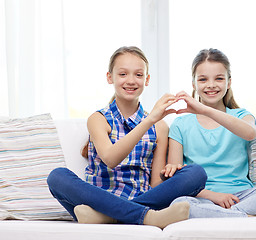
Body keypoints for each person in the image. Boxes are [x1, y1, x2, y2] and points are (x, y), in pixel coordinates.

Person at [47, 46, 207, 228]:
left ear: (147, 80)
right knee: (57, 176)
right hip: (98, 199)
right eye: (123, 74)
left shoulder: (160, 127)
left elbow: (155, 184)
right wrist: (149, 120)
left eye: (138, 75)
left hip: (141, 198)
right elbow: (110, 159)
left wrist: (171, 173)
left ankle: (108, 217)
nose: (131, 81)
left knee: (196, 174)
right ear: (110, 77)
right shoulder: (98, 119)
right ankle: (147, 217)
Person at [161, 48, 256, 218]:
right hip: (203, 198)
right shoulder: (181, 124)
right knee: (179, 204)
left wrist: (205, 110)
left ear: (229, 82)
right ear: (193, 84)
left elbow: (250, 133)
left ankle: (230, 215)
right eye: (203, 79)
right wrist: (214, 196)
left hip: (244, 196)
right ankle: (250, 216)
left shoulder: (241, 115)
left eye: (219, 78)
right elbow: (177, 180)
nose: (211, 85)